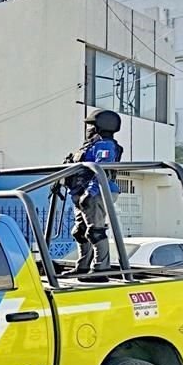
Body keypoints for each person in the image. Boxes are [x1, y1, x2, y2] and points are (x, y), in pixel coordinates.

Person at [63, 109, 123, 282]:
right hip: (81, 193)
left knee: (95, 231)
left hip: (97, 192)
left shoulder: (105, 145)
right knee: (80, 232)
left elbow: (101, 171)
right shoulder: (90, 145)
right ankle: (82, 266)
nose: (88, 129)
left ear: (100, 126)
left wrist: (91, 192)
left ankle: (100, 270)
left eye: (91, 125)